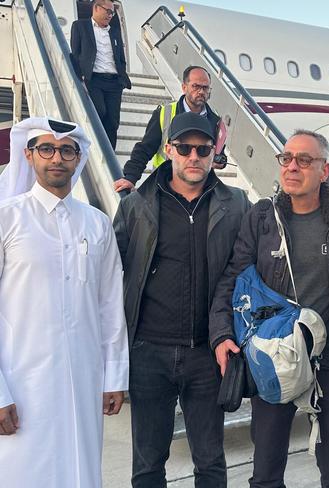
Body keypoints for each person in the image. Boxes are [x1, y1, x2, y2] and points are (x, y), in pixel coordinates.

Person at [211, 129, 329, 488]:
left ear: (324, 170)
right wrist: (221, 334)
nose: (292, 167)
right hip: (274, 356)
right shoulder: (262, 217)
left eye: (304, 160)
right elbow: (233, 278)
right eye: (286, 158)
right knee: (265, 469)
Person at [113, 111, 250, 487]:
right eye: (185, 148)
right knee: (147, 464)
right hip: (149, 354)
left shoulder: (237, 204)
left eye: (202, 149)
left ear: (213, 154)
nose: (194, 157)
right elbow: (108, 278)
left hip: (208, 354)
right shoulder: (136, 205)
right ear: (169, 150)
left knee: (209, 462)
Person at [0, 117, 129, 487]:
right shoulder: (7, 218)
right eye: (46, 148)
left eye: (66, 150)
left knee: (80, 470)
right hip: (22, 382)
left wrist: (114, 376)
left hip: (83, 380)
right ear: (29, 155)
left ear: (78, 158)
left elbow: (109, 304)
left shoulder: (97, 223)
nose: (56, 158)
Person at [113, 65, 227, 193]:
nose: (201, 91)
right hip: (164, 187)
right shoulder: (164, 113)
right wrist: (130, 178)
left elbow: (220, 153)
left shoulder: (215, 121)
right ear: (184, 87)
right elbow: (145, 149)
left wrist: (221, 161)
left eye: (205, 87)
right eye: (196, 86)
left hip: (199, 190)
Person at [70, 0, 131, 149]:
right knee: (99, 111)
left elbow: (121, 59)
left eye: (112, 12)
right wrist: (81, 76)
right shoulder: (80, 26)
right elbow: (75, 54)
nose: (110, 15)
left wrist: (121, 77)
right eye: (108, 11)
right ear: (96, 8)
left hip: (114, 82)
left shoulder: (114, 32)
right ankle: (92, 147)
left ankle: (110, 154)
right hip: (94, 79)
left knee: (113, 121)